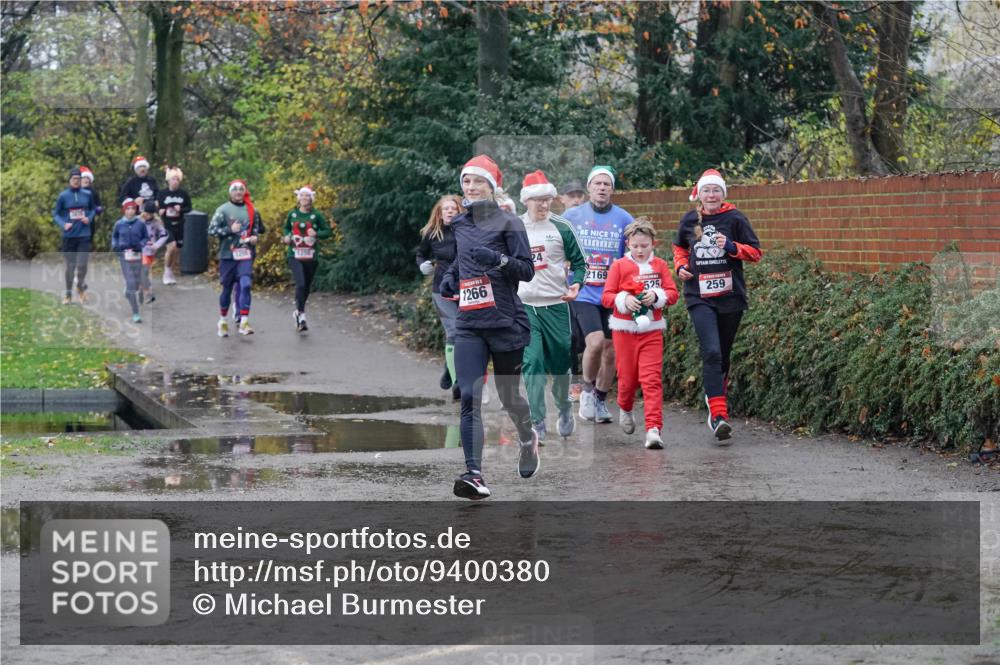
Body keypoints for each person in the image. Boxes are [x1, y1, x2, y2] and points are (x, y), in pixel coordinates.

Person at [439, 155, 538, 500]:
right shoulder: (461, 223)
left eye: (477, 182)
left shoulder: (510, 223)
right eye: (466, 182)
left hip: (505, 322)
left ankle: (528, 437)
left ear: (492, 187)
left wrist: (497, 260)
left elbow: (527, 270)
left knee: (510, 396)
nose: (470, 187)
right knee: (469, 396)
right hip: (469, 322)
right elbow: (459, 260)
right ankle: (474, 474)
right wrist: (451, 277)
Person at [672, 169, 761, 443]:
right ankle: (719, 415)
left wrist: (732, 246)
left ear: (723, 194)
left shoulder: (734, 218)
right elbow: (679, 249)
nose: (711, 195)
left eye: (716, 191)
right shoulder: (690, 219)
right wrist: (680, 267)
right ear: (698, 193)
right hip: (698, 296)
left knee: (722, 354)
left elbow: (756, 252)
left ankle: (716, 398)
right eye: (706, 190)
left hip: (730, 296)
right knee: (710, 351)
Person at [517, 170, 587, 441]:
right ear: (526, 201)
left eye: (547, 199)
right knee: (532, 362)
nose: (543, 204)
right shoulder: (515, 228)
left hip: (556, 305)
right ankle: (537, 422)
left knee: (559, 365)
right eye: (537, 200)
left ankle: (564, 408)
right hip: (525, 306)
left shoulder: (562, 227)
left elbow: (581, 263)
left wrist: (576, 284)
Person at [562, 165, 634, 424]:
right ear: (589, 188)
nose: (602, 188)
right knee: (594, 343)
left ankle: (601, 400)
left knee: (612, 350)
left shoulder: (625, 219)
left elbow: (635, 253)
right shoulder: (572, 216)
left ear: (612, 189)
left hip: (613, 293)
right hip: (583, 292)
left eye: (607, 184)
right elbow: (556, 246)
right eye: (598, 184)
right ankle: (587, 390)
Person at [601, 218, 679, 449]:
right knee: (627, 380)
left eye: (644, 246)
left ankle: (654, 429)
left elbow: (672, 294)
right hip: (624, 331)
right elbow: (606, 297)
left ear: (653, 243)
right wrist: (624, 299)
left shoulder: (661, 266)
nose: (640, 250)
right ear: (628, 244)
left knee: (651, 379)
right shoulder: (619, 266)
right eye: (635, 246)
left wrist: (656, 297)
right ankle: (625, 407)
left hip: (652, 331)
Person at [417, 194, 463, 398]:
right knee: (453, 331)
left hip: (467, 289)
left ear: (459, 211)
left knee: (465, 333)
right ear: (440, 212)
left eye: (453, 208)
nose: (450, 211)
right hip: (441, 290)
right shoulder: (432, 233)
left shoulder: (467, 231)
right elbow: (421, 253)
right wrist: (422, 265)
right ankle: (457, 384)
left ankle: (448, 365)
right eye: (446, 209)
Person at [209, 180, 265, 337]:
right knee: (227, 288)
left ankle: (244, 322)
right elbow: (211, 230)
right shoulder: (223, 210)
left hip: (245, 253)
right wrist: (229, 229)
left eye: (241, 189)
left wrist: (254, 238)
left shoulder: (252, 210)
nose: (238, 192)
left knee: (246, 284)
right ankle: (223, 320)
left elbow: (256, 230)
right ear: (230, 192)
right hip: (228, 255)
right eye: (235, 189)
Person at [281, 185, 333, 332]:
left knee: (307, 287)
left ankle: (298, 311)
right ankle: (301, 315)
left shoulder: (317, 215)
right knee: (301, 283)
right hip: (294, 254)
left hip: (311, 255)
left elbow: (328, 232)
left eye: (307, 196)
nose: (304, 198)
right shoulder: (292, 214)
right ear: (298, 198)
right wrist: (286, 237)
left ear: (311, 198)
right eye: (302, 196)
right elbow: (286, 228)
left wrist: (316, 233)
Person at [53, 167, 96, 304]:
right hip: (69, 236)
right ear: (70, 180)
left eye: (79, 179)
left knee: (82, 265)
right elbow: (56, 213)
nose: (77, 181)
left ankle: (80, 288)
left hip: (84, 234)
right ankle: (68, 294)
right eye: (74, 179)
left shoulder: (87, 194)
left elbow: (93, 209)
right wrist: (63, 224)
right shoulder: (63, 196)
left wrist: (88, 218)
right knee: (70, 266)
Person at [111, 198, 148, 323]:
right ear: (124, 210)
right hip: (124, 256)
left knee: (137, 283)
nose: (131, 211)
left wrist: (141, 244)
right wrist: (115, 246)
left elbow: (145, 237)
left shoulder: (140, 223)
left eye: (133, 208)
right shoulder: (119, 224)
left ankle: (128, 290)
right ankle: (136, 313)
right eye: (128, 209)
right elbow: (114, 237)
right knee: (131, 282)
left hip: (137, 255)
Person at [156, 166, 193, 285]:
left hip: (179, 224)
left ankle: (171, 270)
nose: (175, 181)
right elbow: (157, 207)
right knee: (171, 247)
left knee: (176, 250)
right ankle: (166, 271)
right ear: (168, 181)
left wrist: (180, 209)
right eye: (173, 179)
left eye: (177, 179)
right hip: (166, 224)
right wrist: (160, 211)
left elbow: (189, 208)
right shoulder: (162, 194)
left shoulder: (183, 194)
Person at [140, 200, 169, 304]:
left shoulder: (156, 223)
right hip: (138, 250)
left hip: (150, 251)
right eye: (147, 213)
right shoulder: (139, 221)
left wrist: (156, 245)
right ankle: (148, 292)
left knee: (144, 272)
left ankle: (142, 289)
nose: (148, 216)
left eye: (150, 214)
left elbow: (164, 234)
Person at [79, 167, 104, 244]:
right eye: (84, 178)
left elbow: (98, 205)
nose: (86, 180)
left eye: (88, 178)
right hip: (76, 221)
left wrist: (99, 209)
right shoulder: (75, 191)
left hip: (89, 220)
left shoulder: (93, 192)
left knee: (88, 240)